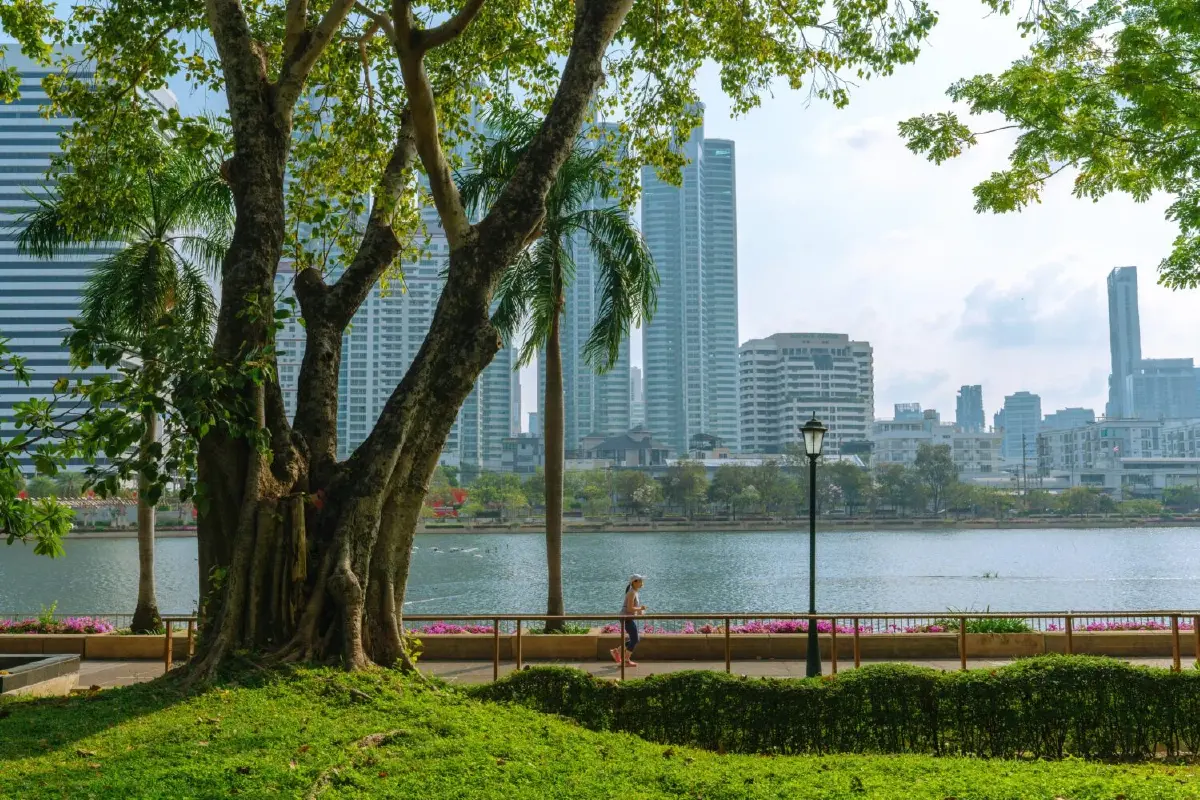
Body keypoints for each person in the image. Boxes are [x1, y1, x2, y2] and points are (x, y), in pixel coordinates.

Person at [610, 574, 646, 666]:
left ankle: (616, 651)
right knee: (635, 640)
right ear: (634, 582)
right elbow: (630, 608)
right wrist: (640, 609)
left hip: (628, 618)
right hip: (626, 618)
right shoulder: (632, 593)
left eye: (642, 580)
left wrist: (639, 611)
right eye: (640, 580)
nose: (642, 582)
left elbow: (632, 607)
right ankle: (626, 660)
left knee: (635, 639)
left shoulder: (634, 592)